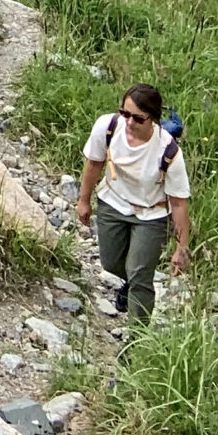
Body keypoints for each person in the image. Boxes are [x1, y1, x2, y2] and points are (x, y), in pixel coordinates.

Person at [77, 82, 190, 325]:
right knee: (111, 262)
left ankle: (137, 341)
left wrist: (182, 248)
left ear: (153, 119)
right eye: (125, 113)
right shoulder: (107, 127)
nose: (129, 122)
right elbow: (94, 163)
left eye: (138, 118)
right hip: (112, 202)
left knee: (140, 274)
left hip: (151, 214)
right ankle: (129, 282)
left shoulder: (168, 151)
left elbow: (179, 203)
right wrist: (83, 200)